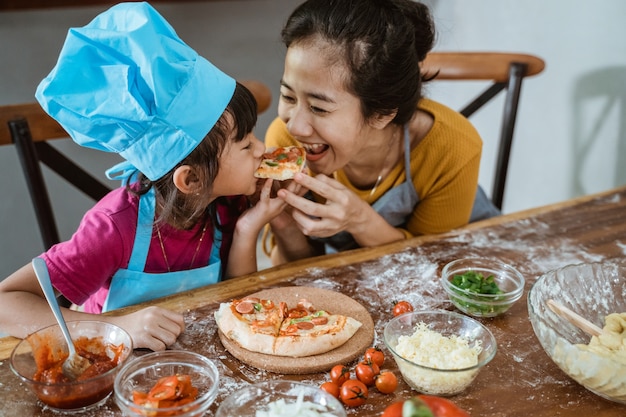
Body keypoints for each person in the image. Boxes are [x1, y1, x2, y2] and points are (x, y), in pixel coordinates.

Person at [0, 2, 289, 351]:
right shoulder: (112, 228)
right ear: (191, 180)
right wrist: (119, 327)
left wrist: (247, 230)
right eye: (245, 145)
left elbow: (237, 301)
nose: (262, 150)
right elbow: (6, 302)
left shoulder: (227, 203)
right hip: (110, 363)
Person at [264, 0, 500, 265]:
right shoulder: (284, 143)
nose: (295, 126)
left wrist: (360, 220)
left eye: (319, 108)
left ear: (382, 113)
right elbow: (298, 270)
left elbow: (433, 266)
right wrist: (282, 224)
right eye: (288, 96)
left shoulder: (452, 147)